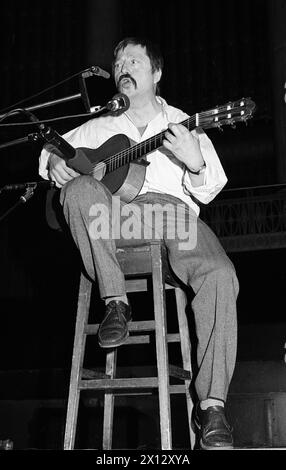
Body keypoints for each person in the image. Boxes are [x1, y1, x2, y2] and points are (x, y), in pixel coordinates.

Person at [39, 37, 239, 450]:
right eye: (118, 62)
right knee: (76, 191)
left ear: (156, 74)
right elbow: (49, 148)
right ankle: (116, 301)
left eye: (134, 60)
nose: (123, 67)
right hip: (115, 223)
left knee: (219, 275)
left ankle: (213, 406)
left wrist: (194, 160)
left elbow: (210, 186)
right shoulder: (101, 122)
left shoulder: (185, 121)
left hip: (172, 218)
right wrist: (56, 160)